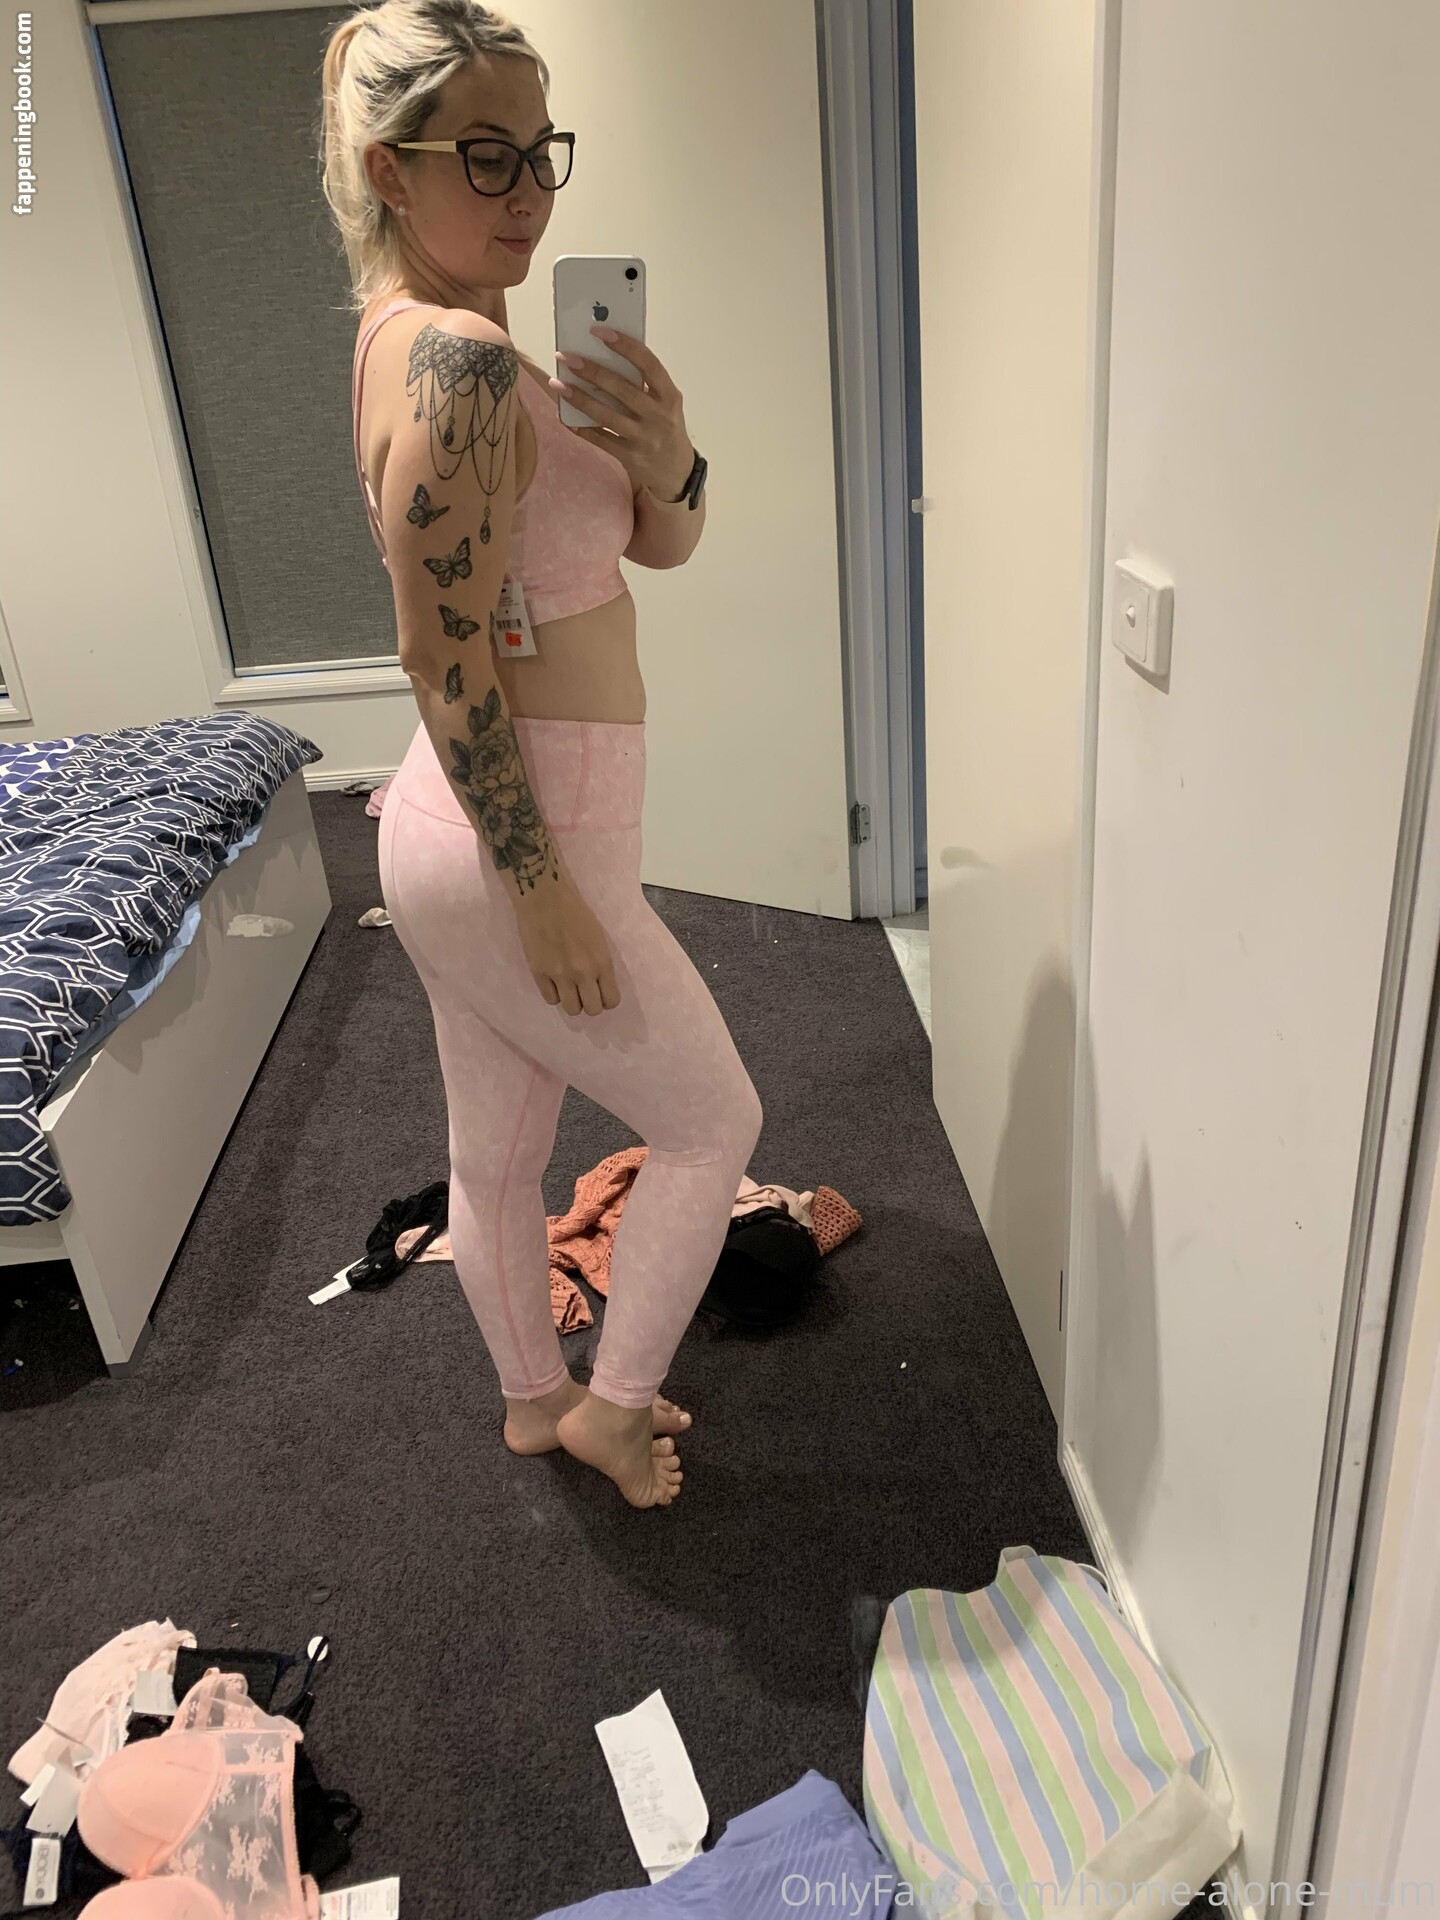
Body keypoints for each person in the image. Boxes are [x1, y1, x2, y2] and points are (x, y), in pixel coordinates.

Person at [320, 0, 762, 1507]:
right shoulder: (450, 363)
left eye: (541, 153)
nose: (528, 194)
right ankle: (613, 1411)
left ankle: (534, 1402)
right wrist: (546, 895)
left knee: (501, 1157)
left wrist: (670, 456)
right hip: (515, 840)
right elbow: (442, 660)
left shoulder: (468, 345)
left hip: (482, 830)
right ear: (391, 170)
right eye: (486, 158)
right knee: (712, 1123)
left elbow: (661, 547)